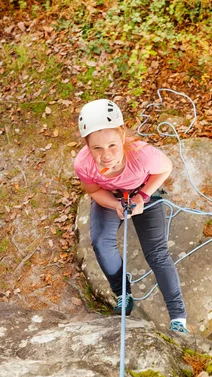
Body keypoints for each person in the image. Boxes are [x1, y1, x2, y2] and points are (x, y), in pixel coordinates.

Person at [73, 99, 188, 333]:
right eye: (97, 148)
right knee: (101, 243)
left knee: (156, 253)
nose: (106, 155)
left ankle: (178, 317)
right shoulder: (83, 164)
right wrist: (115, 204)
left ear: (122, 135)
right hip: (111, 197)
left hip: (143, 192)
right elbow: (94, 191)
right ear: (86, 145)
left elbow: (165, 168)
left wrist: (142, 197)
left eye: (112, 145)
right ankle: (122, 293)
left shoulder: (142, 155)